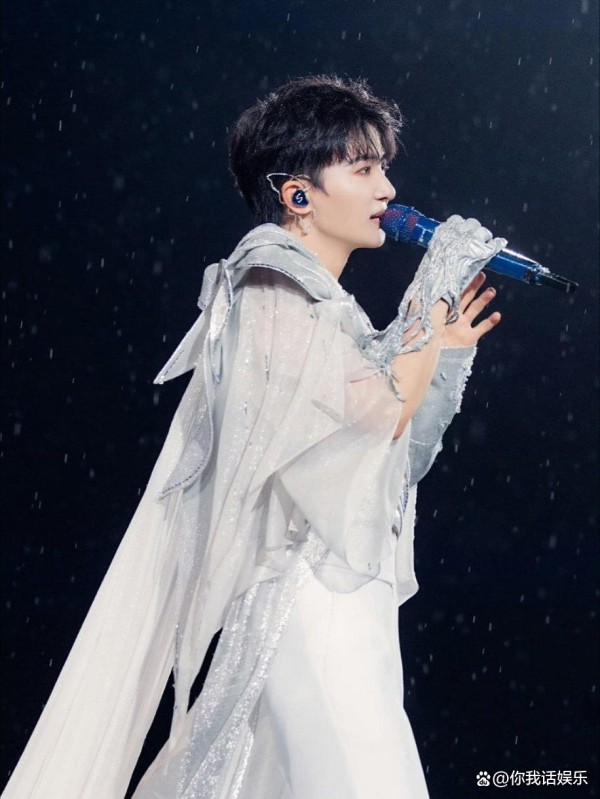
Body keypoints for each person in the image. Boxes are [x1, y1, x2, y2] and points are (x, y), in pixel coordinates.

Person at [3, 75, 505, 799]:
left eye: (384, 168)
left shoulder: (330, 311)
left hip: (349, 608)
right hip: (309, 606)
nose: (388, 189)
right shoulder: (268, 280)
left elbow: (397, 461)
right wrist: (430, 297)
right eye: (364, 169)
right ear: (297, 194)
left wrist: (442, 345)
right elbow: (382, 415)